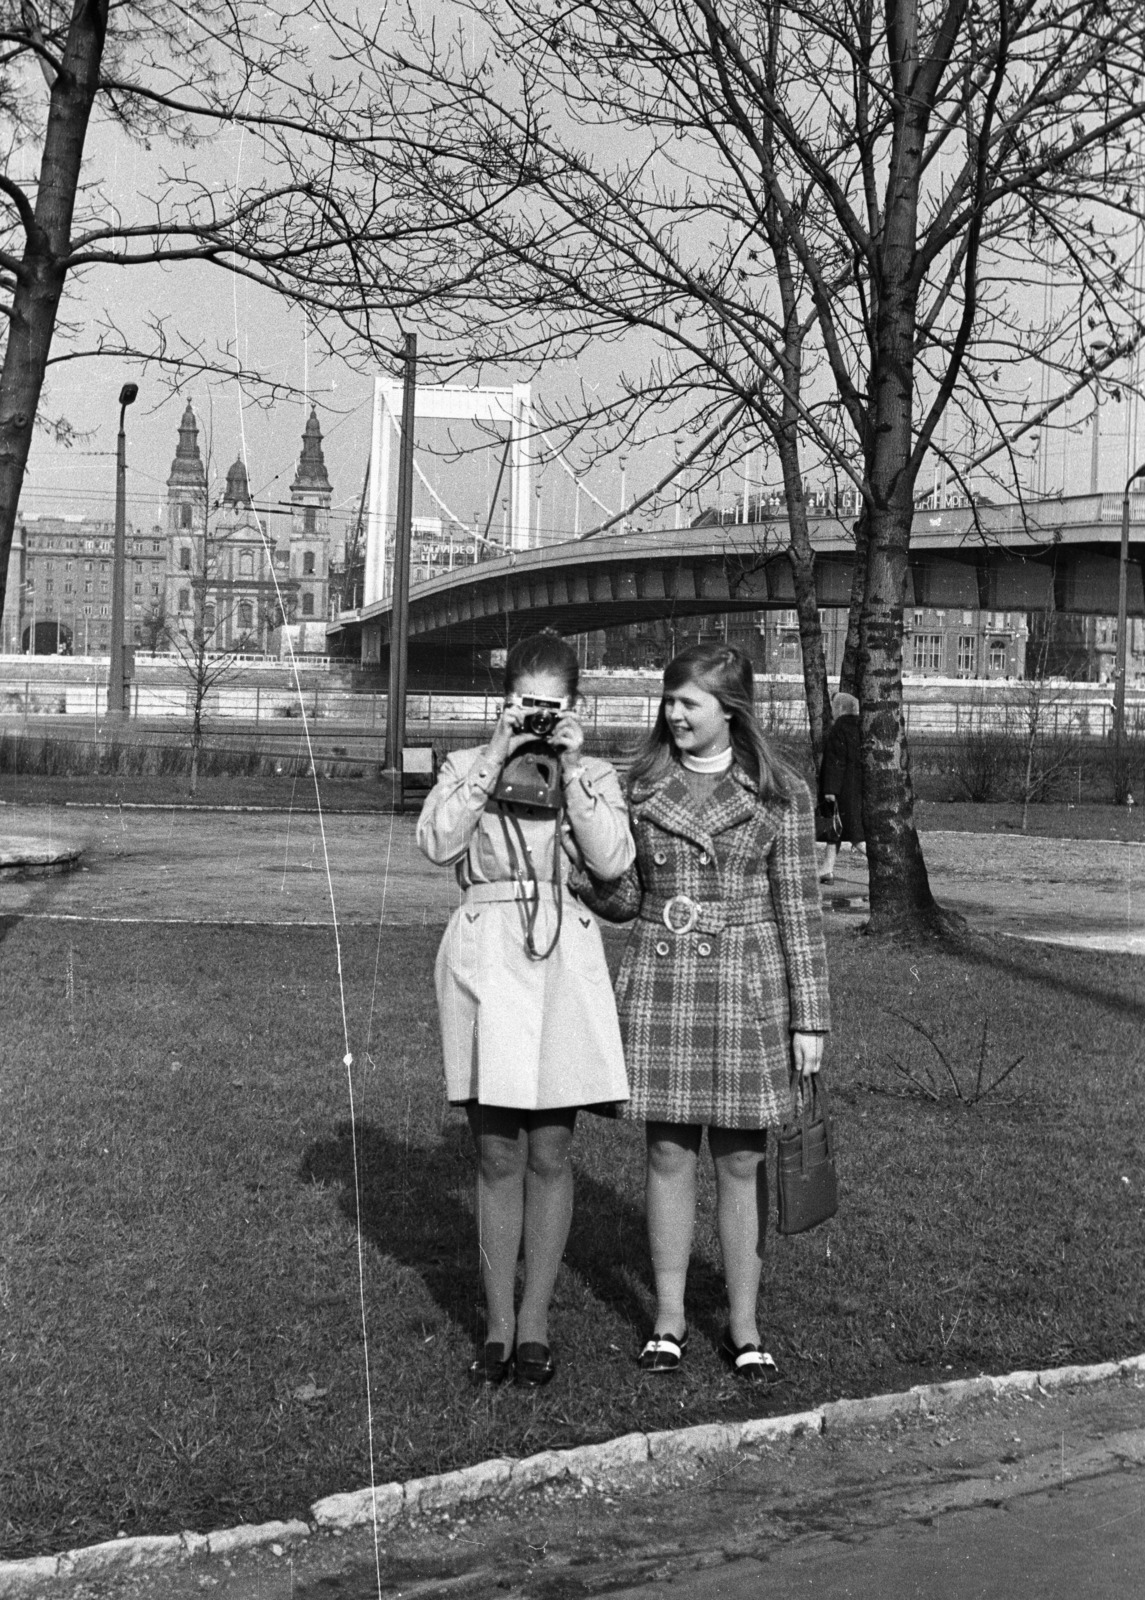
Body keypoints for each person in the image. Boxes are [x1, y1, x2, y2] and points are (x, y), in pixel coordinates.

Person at [576, 644, 830, 1382]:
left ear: (729, 710)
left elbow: (800, 914)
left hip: (746, 990)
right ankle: (667, 1318)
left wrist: (809, 1021)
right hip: (663, 986)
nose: (672, 714)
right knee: (666, 1153)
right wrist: (584, 873)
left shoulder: (779, 794)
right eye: (668, 700)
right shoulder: (637, 787)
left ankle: (745, 1326)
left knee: (743, 1160)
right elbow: (626, 903)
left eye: (687, 702)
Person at [416, 633, 635, 1389]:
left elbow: (610, 862)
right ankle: (496, 1325)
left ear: (575, 708)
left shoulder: (597, 772)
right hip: (485, 952)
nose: (540, 719)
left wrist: (570, 767)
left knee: (550, 1149)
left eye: (553, 707)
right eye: (526, 705)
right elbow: (436, 843)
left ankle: (535, 1320)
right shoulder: (464, 766)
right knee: (494, 1152)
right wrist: (494, 753)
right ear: (504, 701)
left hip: (562, 959)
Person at [817, 691, 865, 884]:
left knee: (853, 833)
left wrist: (830, 790)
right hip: (856, 788)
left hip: (841, 790)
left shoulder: (839, 729)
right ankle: (826, 869)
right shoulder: (861, 728)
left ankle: (885, 868)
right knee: (834, 830)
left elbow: (835, 762)